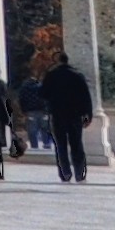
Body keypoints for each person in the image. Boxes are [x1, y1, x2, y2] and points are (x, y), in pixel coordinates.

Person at [39, 50, 96, 183]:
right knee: (77, 144)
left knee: (61, 145)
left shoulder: (51, 75)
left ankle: (65, 173)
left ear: (57, 61)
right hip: (75, 115)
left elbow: (42, 93)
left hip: (58, 114)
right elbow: (86, 96)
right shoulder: (77, 75)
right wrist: (88, 114)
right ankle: (80, 173)